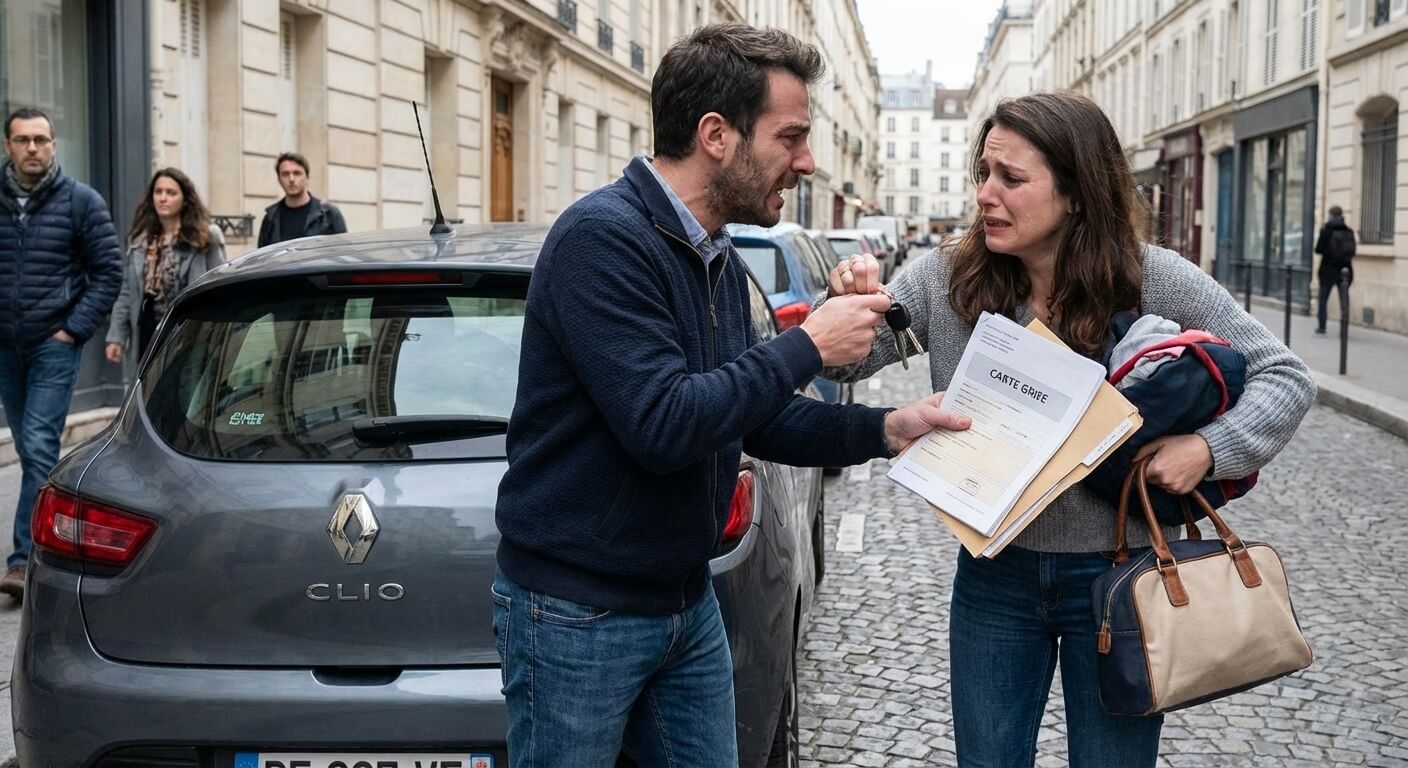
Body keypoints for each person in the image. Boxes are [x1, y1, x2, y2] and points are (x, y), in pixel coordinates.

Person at [492, 24, 970, 768]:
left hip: (684, 603)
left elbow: (758, 413)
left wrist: (889, 427)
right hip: (578, 614)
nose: (807, 162)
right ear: (717, 135)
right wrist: (807, 343)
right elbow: (665, 423)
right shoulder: (601, 239)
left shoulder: (711, 250)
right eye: (791, 137)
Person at [824, 92, 1315, 768]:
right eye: (984, 172)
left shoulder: (1152, 278)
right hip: (994, 579)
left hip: (1122, 579)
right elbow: (848, 361)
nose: (986, 194)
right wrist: (844, 302)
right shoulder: (944, 277)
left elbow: (1286, 376)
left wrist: (1208, 449)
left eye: (1012, 179)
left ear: (1077, 193)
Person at [0, 107, 123, 601]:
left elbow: (108, 272)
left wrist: (72, 331)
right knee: (33, 446)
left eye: (42, 140)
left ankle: (23, 558)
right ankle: (44, 543)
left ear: (54, 144)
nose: (33, 148)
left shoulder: (81, 202)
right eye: (23, 140)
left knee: (36, 443)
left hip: (53, 344)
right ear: (8, 146)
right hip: (7, 348)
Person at [105, 168, 226, 380]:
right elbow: (127, 292)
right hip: (149, 329)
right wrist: (117, 337)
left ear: (185, 199)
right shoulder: (141, 240)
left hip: (188, 329)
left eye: (171, 193)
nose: (163, 198)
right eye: (158, 192)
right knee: (147, 392)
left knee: (185, 389)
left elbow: (220, 283)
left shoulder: (204, 237)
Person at [256, 151, 347, 247]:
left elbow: (344, 252)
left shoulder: (329, 214)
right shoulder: (271, 218)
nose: (291, 179)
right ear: (279, 179)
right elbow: (262, 258)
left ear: (307, 177)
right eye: (285, 174)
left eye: (297, 173)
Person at [1313, 205, 1355, 335]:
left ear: (1331, 215)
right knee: (1344, 302)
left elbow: (1318, 249)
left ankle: (1322, 326)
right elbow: (1353, 252)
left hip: (1328, 270)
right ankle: (1344, 330)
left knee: (1323, 299)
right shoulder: (1349, 231)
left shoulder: (1326, 230)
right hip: (1345, 271)